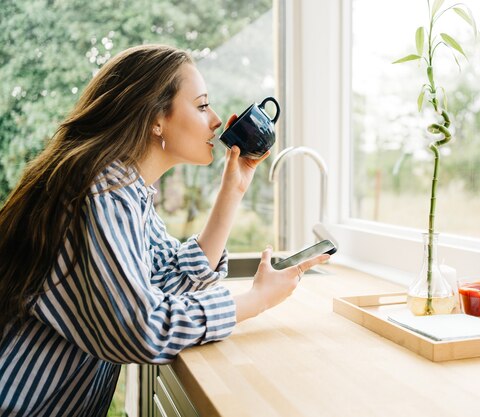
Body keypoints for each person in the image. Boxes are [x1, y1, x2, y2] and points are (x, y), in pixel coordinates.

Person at [0, 44, 330, 416]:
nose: (217, 120)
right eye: (202, 105)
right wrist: (256, 301)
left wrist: (232, 191)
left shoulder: (127, 188)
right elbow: (142, 327)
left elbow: (164, 281)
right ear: (155, 119)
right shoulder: (100, 192)